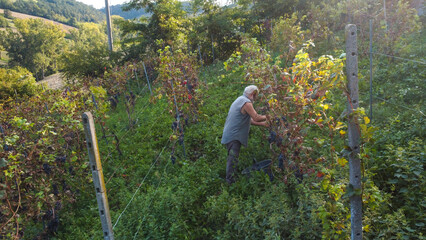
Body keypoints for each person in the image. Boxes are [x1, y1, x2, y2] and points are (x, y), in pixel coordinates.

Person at [221, 85, 268, 184]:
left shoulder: (240, 99)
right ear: (252, 94)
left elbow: (249, 120)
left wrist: (263, 124)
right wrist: (270, 116)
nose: (256, 98)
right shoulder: (246, 103)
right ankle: (230, 182)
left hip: (231, 133)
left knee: (233, 157)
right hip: (234, 135)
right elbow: (256, 117)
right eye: (256, 95)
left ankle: (231, 179)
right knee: (232, 158)